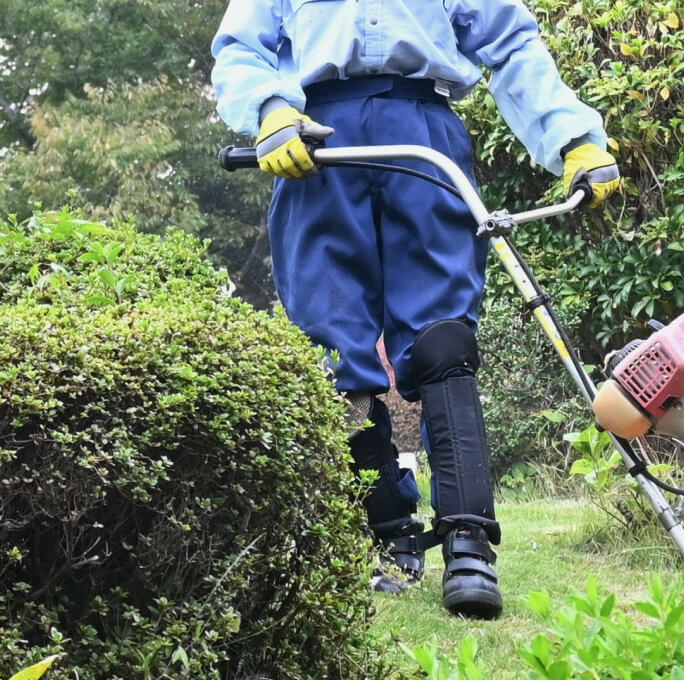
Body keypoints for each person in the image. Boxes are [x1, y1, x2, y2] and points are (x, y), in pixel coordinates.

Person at [210, 0, 620, 620]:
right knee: (328, 359)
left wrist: (575, 139)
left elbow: (509, 43)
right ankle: (386, 536)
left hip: (425, 136)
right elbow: (240, 48)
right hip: (314, 147)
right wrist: (269, 109)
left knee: (442, 342)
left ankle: (468, 541)